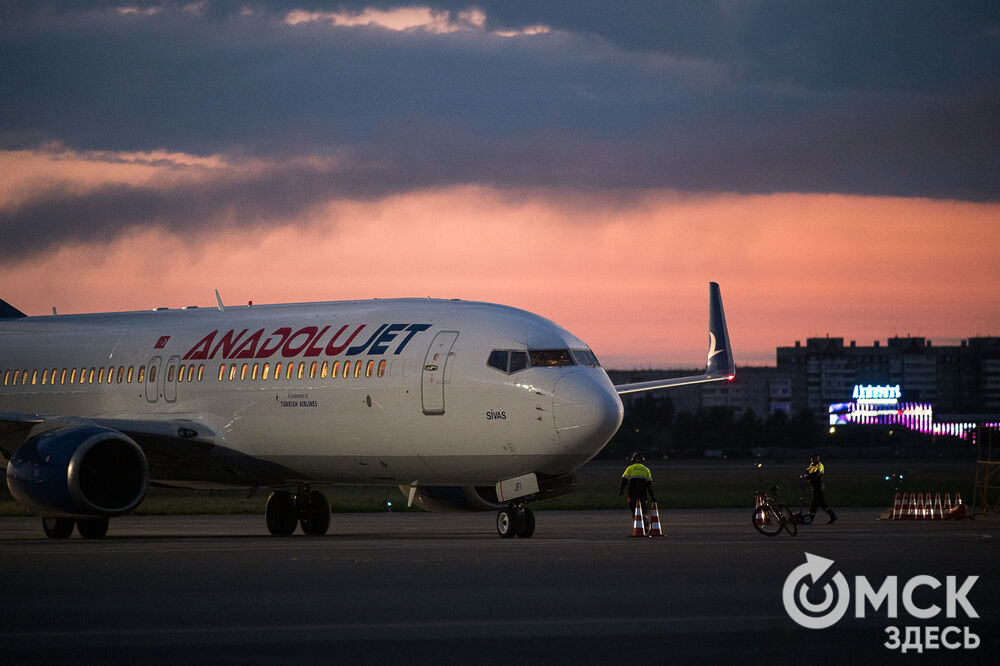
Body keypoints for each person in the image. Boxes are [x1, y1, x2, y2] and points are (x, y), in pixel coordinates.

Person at [803, 452, 837, 524]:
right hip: (815, 488)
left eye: (814, 458)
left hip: (818, 488)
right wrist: (806, 475)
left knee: (815, 503)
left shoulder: (820, 465)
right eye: (812, 458)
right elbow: (807, 471)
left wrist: (808, 476)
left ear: (817, 458)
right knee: (820, 504)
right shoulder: (812, 465)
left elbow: (816, 474)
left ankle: (810, 518)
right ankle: (832, 516)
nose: (812, 459)